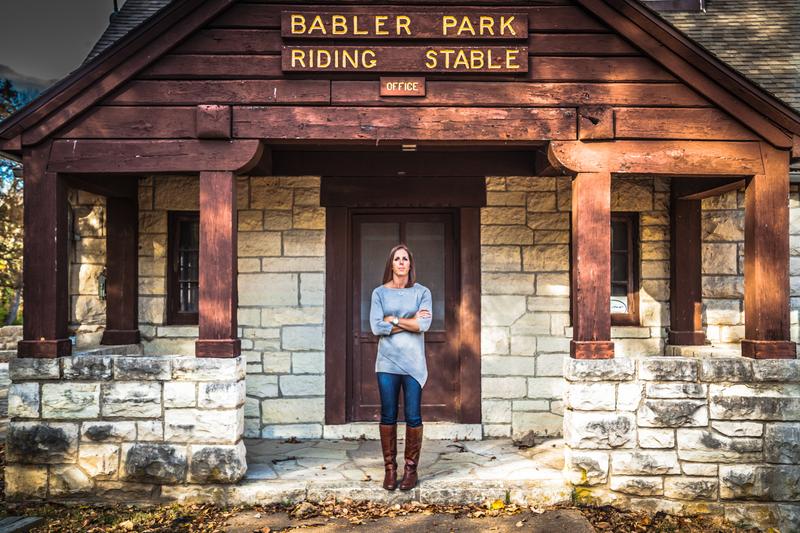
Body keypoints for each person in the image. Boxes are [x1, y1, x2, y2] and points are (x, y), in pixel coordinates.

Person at [369, 244, 432, 491]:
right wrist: (410, 321)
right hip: (387, 363)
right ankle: (390, 470)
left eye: (405, 258)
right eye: (397, 259)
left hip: (414, 365)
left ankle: (410, 471)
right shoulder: (379, 294)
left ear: (410, 264)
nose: (402, 262)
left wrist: (393, 320)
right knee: (388, 415)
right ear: (391, 264)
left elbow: (423, 325)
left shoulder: (422, 292)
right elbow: (376, 327)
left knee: (414, 417)